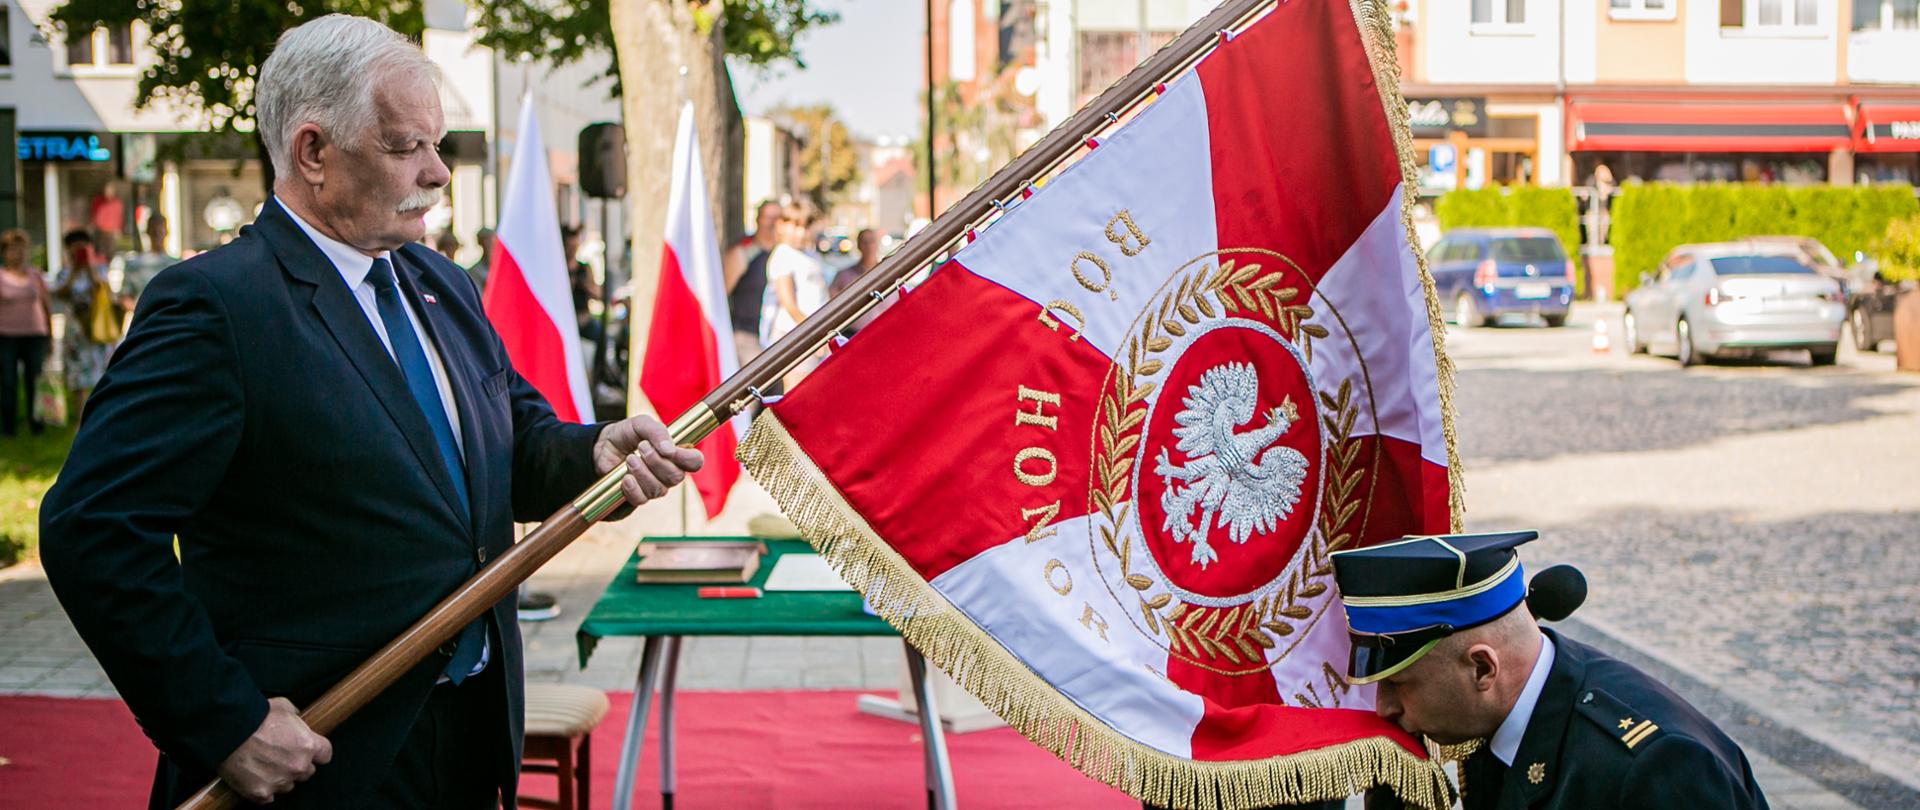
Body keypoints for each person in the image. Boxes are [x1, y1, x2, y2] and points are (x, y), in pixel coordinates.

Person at [38, 15, 703, 810]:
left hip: (469, 732)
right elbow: (94, 530)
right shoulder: (217, 305)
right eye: (404, 147)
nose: (438, 173)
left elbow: (507, 447)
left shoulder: (440, 284)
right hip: (321, 760)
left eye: (439, 144)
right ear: (313, 151)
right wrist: (224, 721)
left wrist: (594, 451)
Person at [1330, 532, 1769, 810]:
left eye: (1398, 683)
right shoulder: (1499, 717)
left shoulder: (1655, 767)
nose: (1384, 708)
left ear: (1483, 667)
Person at [762, 201, 830, 387]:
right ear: (783, 225)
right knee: (798, 392)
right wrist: (814, 334)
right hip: (795, 334)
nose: (800, 233)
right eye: (795, 226)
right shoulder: (783, 254)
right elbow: (788, 303)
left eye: (805, 226)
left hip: (817, 333)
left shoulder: (810, 255)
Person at [52, 229, 114, 419]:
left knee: (100, 374)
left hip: (96, 330)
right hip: (75, 331)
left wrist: (89, 269)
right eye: (74, 246)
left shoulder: (100, 271)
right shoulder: (64, 273)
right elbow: (59, 293)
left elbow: (107, 294)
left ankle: (101, 415)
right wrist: (75, 271)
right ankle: (80, 419)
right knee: (78, 377)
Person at [0, 229, 52, 436]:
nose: (18, 254)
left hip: (35, 336)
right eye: (13, 250)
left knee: (34, 381)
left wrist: (50, 336)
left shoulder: (35, 275)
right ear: (4, 252)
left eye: (21, 249)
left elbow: (45, 305)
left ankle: (37, 425)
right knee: (8, 382)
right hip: (6, 336)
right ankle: (8, 428)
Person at [723, 199, 782, 367]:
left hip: (778, 337)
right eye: (768, 217)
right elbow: (722, 294)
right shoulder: (743, 253)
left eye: (777, 218)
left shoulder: (784, 253)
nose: (772, 223)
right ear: (758, 219)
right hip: (747, 336)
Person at [117, 214, 180, 313]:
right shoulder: (134, 264)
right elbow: (125, 297)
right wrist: (141, 312)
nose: (157, 235)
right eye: (154, 232)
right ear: (148, 233)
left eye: (160, 231)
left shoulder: (177, 265)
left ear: (166, 233)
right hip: (143, 321)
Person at [561, 224, 601, 339]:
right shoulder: (560, 269)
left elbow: (597, 294)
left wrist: (584, 285)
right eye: (569, 247)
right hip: (565, 319)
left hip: (582, 319)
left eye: (574, 247)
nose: (571, 251)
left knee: (600, 336)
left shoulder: (584, 268)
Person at [467, 226, 495, 292]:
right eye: (485, 240)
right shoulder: (475, 271)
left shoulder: (502, 267)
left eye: (490, 240)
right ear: (480, 243)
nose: (488, 244)